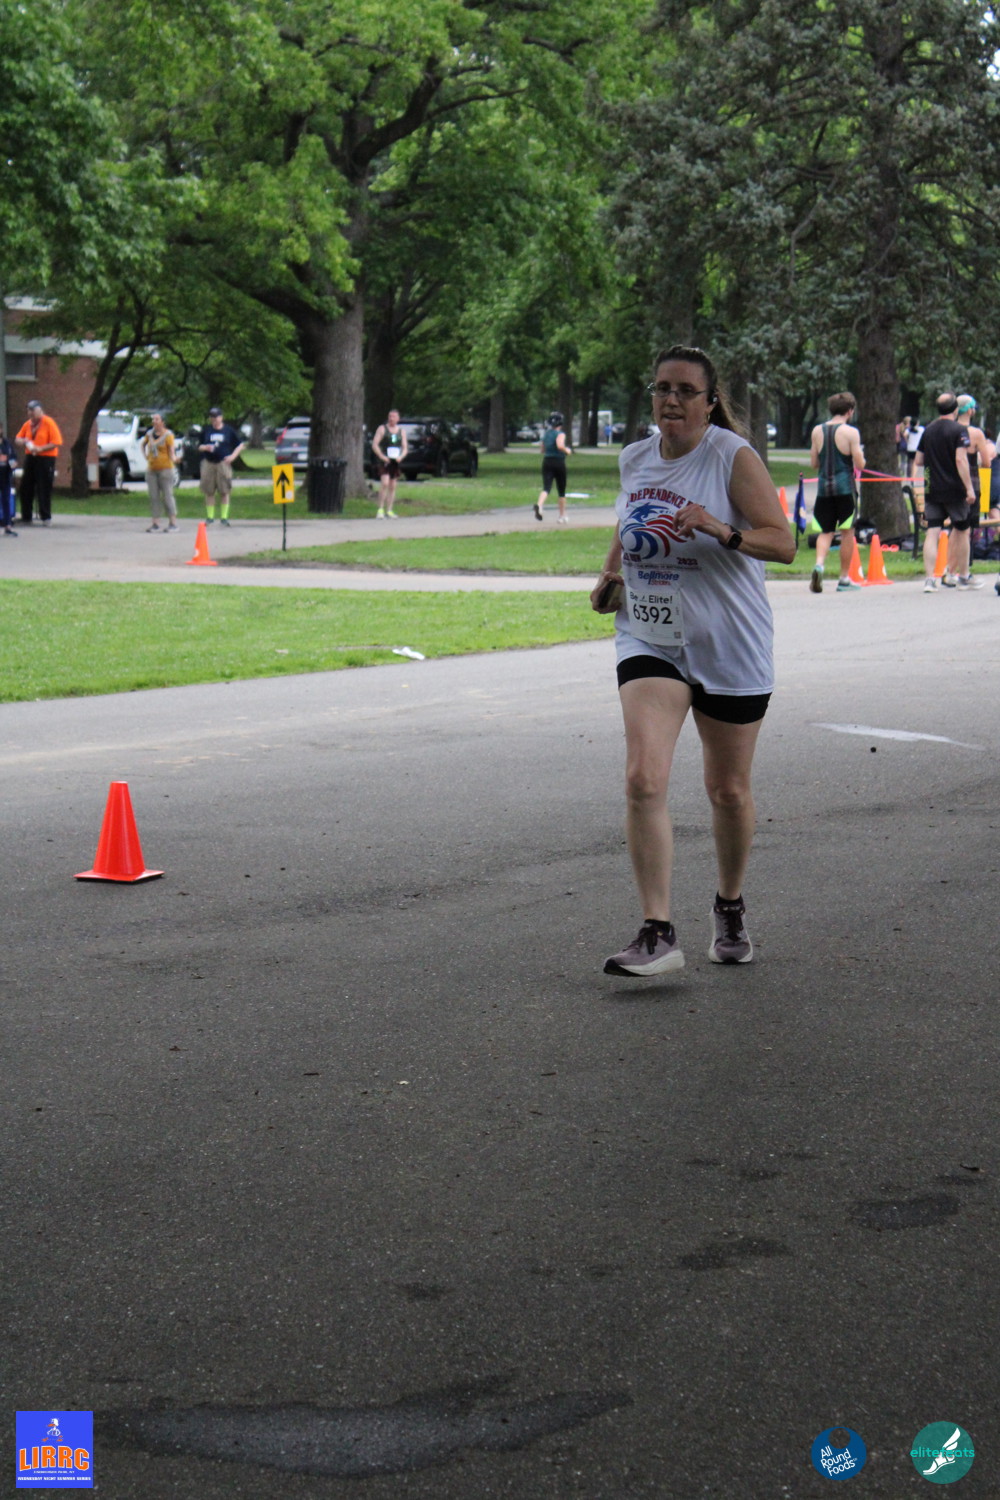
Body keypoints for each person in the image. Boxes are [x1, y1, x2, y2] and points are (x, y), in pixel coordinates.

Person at [590, 344, 795, 977]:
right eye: (661, 389)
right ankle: (657, 930)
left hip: (729, 641)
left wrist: (718, 528)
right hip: (651, 636)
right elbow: (627, 520)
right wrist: (611, 574)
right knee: (643, 778)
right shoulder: (635, 457)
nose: (671, 400)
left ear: (710, 402)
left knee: (727, 791)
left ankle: (729, 905)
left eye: (685, 390)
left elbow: (783, 543)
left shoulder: (731, 456)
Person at [916, 392, 980, 592]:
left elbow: (918, 460)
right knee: (962, 529)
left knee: (932, 532)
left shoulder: (928, 430)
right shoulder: (959, 430)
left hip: (933, 489)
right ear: (955, 409)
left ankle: (929, 580)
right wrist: (969, 488)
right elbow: (961, 460)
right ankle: (963, 576)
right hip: (954, 489)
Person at [807, 393, 865, 594]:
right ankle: (844, 579)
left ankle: (819, 565)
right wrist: (861, 458)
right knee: (847, 532)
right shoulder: (851, 432)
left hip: (824, 489)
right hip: (845, 489)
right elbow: (860, 463)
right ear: (850, 411)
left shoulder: (817, 431)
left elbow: (814, 463)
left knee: (826, 531)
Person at [945, 395, 994, 583]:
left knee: (955, 528)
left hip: (951, 483)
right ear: (971, 410)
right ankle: (961, 573)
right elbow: (987, 463)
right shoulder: (976, 434)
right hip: (971, 484)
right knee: (964, 530)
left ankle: (950, 570)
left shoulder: (949, 431)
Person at [14, 399, 62, 526]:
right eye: (28, 410)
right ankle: (26, 516)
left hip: (46, 458)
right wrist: (23, 441)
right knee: (26, 486)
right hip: (31, 457)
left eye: (33, 410)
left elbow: (56, 442)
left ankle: (45, 517)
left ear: (40, 410)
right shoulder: (28, 424)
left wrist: (40, 448)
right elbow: (18, 438)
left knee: (43, 487)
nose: (30, 413)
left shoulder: (48, 422)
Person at [197, 407, 245, 525]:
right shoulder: (207, 430)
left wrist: (233, 456)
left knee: (224, 491)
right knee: (209, 491)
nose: (214, 419)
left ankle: (224, 517)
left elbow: (240, 445)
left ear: (221, 417)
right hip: (209, 463)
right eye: (212, 417)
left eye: (216, 417)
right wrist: (205, 447)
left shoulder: (228, 431)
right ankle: (210, 517)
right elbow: (199, 446)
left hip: (223, 463)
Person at [141, 413, 179, 532]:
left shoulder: (168, 435)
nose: (154, 421)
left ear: (163, 422)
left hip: (166, 469)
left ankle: (173, 523)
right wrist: (146, 456)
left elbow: (171, 451)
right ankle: (155, 524)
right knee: (154, 497)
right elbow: (143, 445)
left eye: (157, 419)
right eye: (153, 419)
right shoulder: (149, 434)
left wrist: (175, 459)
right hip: (152, 470)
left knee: (167, 496)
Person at [534, 411, 572, 524]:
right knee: (561, 490)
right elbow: (560, 445)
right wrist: (567, 450)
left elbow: (542, 449)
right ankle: (562, 515)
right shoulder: (560, 434)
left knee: (546, 487)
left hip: (547, 461)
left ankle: (539, 505)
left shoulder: (546, 434)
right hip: (558, 462)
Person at [371, 410, 408, 518]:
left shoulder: (401, 431)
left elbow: (405, 447)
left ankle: (389, 510)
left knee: (392, 485)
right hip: (385, 460)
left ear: (398, 419)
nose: (391, 418)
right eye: (390, 416)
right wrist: (382, 456)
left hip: (395, 460)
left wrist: (401, 457)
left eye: (394, 416)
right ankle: (380, 509)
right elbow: (375, 444)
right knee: (385, 483)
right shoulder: (382, 429)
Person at [0, 422, 17, 534]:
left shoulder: (7, 443)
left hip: (5, 476)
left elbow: (13, 456)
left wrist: (13, 463)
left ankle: (8, 525)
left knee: (6, 500)